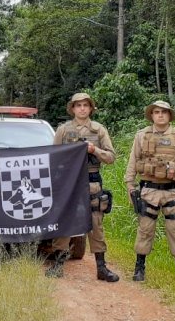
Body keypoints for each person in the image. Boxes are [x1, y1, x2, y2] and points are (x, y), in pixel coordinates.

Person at [45, 92, 119, 282]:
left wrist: (95, 150)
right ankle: (58, 264)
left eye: (86, 105)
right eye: (78, 106)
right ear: (73, 108)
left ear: (91, 108)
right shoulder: (63, 130)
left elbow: (111, 157)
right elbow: (53, 157)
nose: (82, 108)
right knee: (65, 222)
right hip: (69, 182)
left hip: (91, 181)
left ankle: (101, 268)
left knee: (96, 224)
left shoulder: (98, 130)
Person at [125, 100, 175, 282]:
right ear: (152, 115)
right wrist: (130, 185)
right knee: (145, 230)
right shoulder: (141, 136)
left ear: (170, 115)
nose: (160, 115)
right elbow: (133, 161)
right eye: (156, 112)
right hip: (149, 191)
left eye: (164, 112)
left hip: (173, 191)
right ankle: (139, 268)